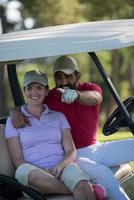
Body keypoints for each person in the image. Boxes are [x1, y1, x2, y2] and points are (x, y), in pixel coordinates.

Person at [11, 56, 134, 200]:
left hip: (95, 148)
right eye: (59, 77)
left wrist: (76, 95)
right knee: (103, 173)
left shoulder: (89, 89)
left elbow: (95, 97)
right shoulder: (51, 96)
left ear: (77, 75)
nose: (63, 82)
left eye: (68, 76)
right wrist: (14, 111)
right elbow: (32, 100)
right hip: (73, 154)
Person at [5, 70, 106, 200]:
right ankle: (85, 188)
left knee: (81, 183)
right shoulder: (14, 120)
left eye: (39, 88)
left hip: (61, 167)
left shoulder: (58, 116)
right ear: (25, 91)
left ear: (47, 91)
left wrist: (60, 166)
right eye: (29, 88)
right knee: (25, 172)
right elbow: (18, 160)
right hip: (33, 172)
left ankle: (83, 187)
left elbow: (71, 151)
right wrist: (43, 171)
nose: (34, 93)